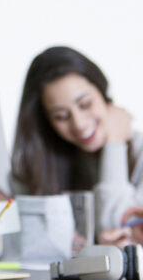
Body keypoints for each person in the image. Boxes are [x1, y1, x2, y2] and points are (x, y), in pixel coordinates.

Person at [11, 46, 143, 243]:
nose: (79, 125)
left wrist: (114, 145)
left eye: (85, 104)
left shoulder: (139, 149)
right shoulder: (42, 164)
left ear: (102, 91)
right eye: (61, 116)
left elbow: (116, 227)